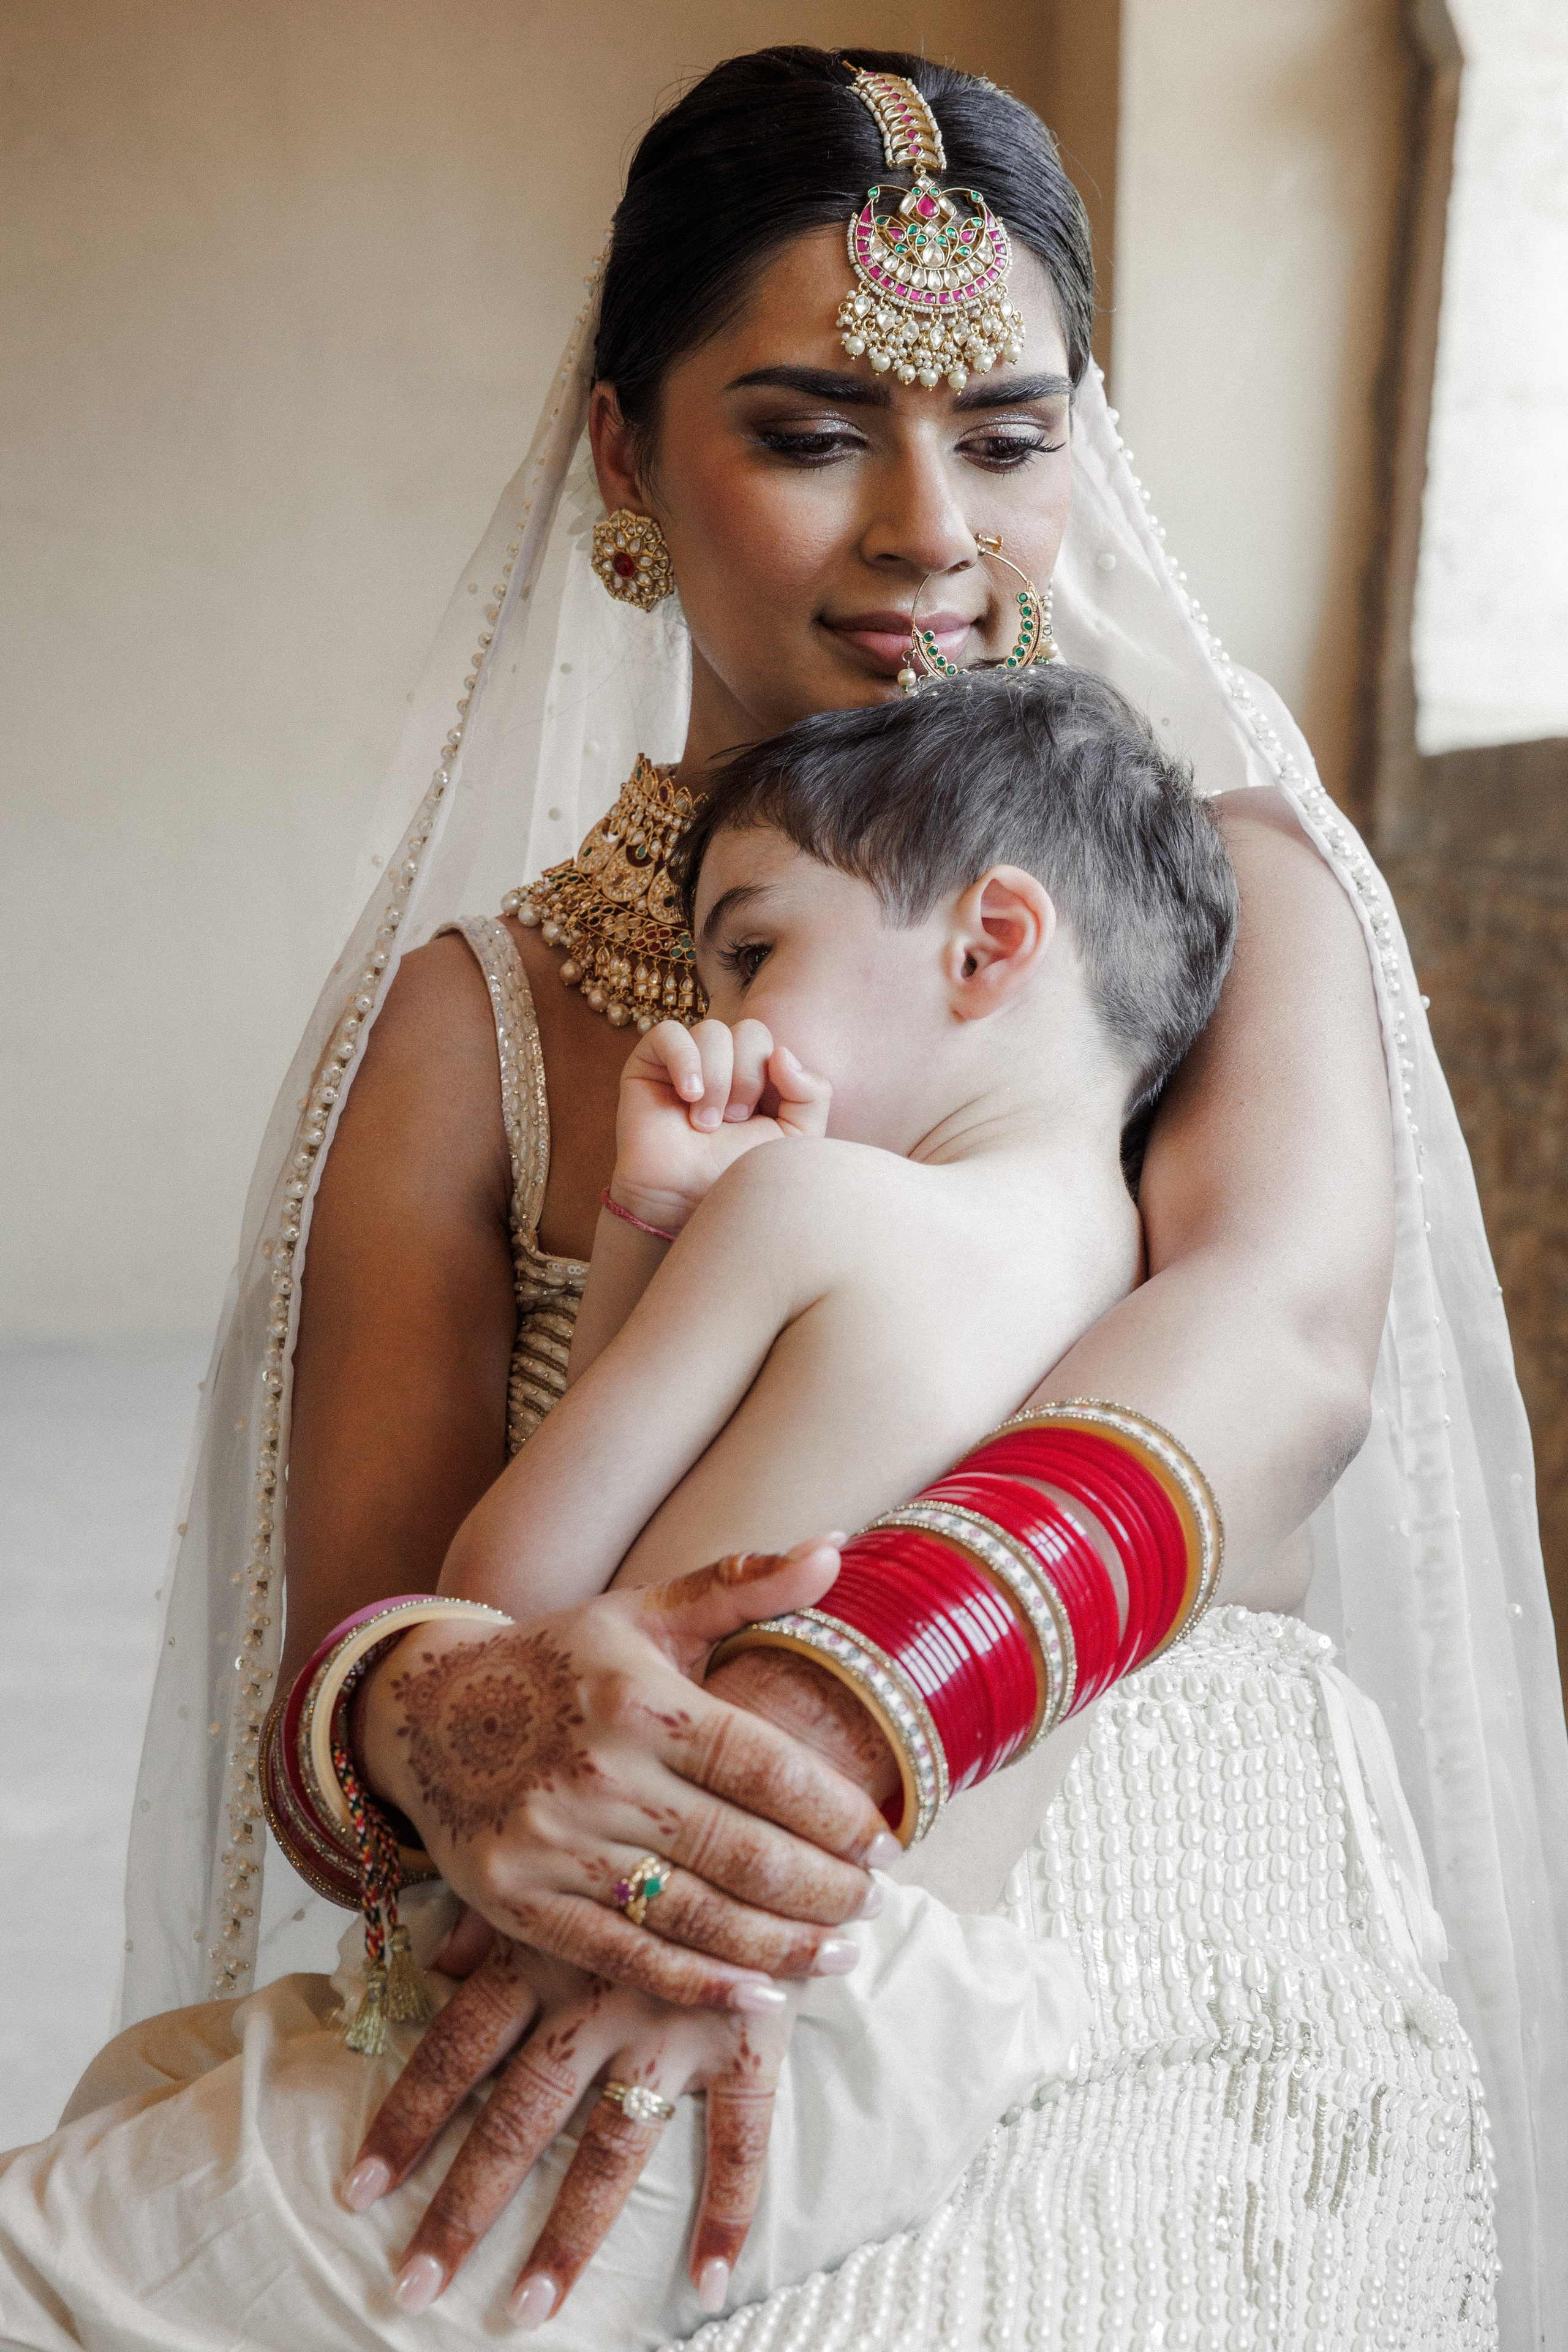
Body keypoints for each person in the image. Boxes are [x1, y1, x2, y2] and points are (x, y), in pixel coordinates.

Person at [6, 40, 1561, 2352]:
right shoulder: (483, 1023)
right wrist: (492, 1750)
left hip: (1150, 1957)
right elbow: (349, 1687)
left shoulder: (1208, 899)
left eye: (1011, 437)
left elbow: (1284, 1344)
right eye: (818, 433)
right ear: (627, 460)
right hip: (588, 1933)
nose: (934, 529)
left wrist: (799, 1771)